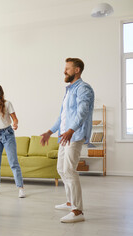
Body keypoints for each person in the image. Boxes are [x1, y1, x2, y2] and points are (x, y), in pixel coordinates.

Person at [40, 58, 94, 223]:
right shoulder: (69, 90)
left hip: (74, 135)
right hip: (64, 135)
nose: (65, 71)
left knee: (69, 170)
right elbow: (62, 117)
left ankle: (78, 212)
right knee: (61, 169)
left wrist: (71, 130)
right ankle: (70, 202)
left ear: (77, 70)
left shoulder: (83, 88)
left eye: (68, 68)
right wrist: (50, 131)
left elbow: (82, 112)